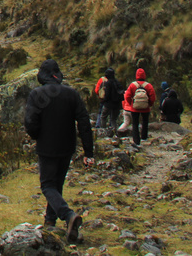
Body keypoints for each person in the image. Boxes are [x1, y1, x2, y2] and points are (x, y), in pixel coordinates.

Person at [24, 59, 94, 242]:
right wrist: (89, 152)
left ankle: (68, 216)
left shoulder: (36, 94)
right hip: (67, 147)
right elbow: (84, 121)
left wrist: (37, 135)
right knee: (57, 185)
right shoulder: (72, 94)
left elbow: (30, 122)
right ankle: (50, 221)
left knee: (47, 185)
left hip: (46, 147)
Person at [124, 68, 157, 146]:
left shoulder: (132, 85)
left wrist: (131, 103)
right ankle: (144, 137)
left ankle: (136, 140)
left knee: (135, 123)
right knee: (145, 122)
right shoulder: (148, 85)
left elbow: (127, 96)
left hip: (134, 108)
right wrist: (150, 104)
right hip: (146, 108)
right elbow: (153, 97)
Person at [94, 68, 121, 132]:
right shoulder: (117, 82)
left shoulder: (104, 81)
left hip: (107, 103)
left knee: (103, 116)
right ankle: (114, 132)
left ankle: (103, 130)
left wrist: (103, 99)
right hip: (117, 103)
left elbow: (97, 90)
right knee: (113, 119)